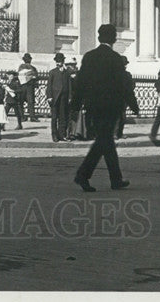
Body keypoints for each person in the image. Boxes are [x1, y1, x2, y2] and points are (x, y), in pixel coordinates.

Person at [70, 24, 137, 192]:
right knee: (104, 141)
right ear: (113, 38)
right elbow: (124, 85)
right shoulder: (115, 58)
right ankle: (83, 174)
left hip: (93, 107)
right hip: (110, 108)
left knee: (106, 141)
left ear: (99, 37)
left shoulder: (89, 57)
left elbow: (80, 83)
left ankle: (116, 179)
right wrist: (133, 104)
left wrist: (75, 105)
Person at [46, 53, 73, 142]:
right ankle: (54, 135)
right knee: (54, 117)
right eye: (57, 62)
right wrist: (49, 96)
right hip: (54, 98)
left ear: (63, 61)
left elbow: (69, 86)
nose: (58, 63)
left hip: (64, 98)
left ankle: (62, 135)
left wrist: (69, 97)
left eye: (60, 61)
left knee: (63, 117)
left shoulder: (66, 72)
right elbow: (49, 86)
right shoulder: (52, 72)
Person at [116, 56, 140, 139]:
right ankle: (115, 133)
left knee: (122, 117)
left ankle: (119, 133)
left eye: (125, 64)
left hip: (123, 99)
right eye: (124, 64)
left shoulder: (127, 74)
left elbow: (132, 85)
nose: (125, 66)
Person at [17, 53, 39, 121]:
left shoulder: (21, 67)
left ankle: (22, 116)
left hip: (22, 86)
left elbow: (19, 76)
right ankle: (32, 116)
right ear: (30, 60)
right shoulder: (33, 68)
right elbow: (36, 77)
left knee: (20, 102)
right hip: (30, 86)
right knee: (30, 102)